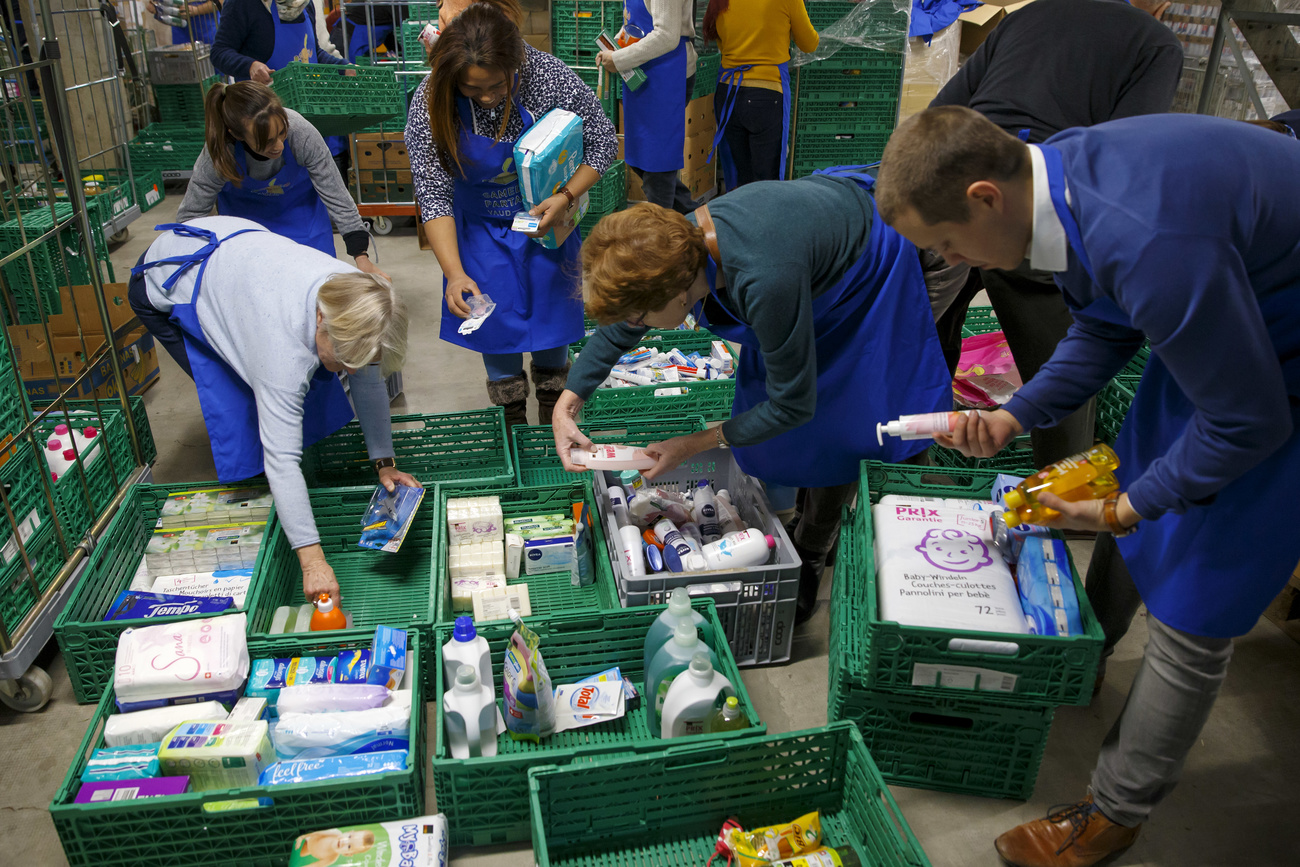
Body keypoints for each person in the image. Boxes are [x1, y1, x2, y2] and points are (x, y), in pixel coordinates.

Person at [875, 105, 1300, 867]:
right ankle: (1096, 653)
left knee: (1200, 601)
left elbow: (1247, 423)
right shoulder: (1059, 174)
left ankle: (1117, 808)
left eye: (945, 245)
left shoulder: (1146, 237)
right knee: (1151, 487)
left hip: (1279, 372)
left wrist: (1125, 507)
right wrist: (1013, 416)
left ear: (984, 197)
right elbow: (1106, 326)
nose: (953, 261)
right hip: (1223, 328)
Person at [554, 174, 950, 625]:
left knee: (845, 423)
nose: (634, 325)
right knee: (798, 419)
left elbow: (793, 404)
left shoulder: (765, 278)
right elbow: (622, 326)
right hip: (807, 251)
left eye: (640, 316)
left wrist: (695, 442)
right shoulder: (673, 246)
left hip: (881, 261)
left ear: (680, 294)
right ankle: (814, 523)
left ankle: (817, 547)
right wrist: (568, 402)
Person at [928, 0, 1182, 468]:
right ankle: (1063, 499)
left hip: (959, 185)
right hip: (1036, 198)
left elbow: (940, 112)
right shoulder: (1153, 41)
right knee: (1061, 358)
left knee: (930, 336)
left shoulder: (1028, 15)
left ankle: (922, 457)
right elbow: (1122, 153)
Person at [128, 215, 417, 606]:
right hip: (171, 278)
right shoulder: (278, 352)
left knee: (306, 394)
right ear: (320, 319)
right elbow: (280, 457)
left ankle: (293, 504)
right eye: (346, 359)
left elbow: (367, 380)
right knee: (240, 404)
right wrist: (312, 560)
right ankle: (270, 513)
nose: (351, 371)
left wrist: (384, 461)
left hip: (244, 254)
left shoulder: (357, 295)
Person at [405, 3, 617, 429]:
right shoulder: (431, 99)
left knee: (551, 331)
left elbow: (603, 142)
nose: (485, 97)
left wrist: (567, 195)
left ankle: (555, 424)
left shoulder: (549, 77)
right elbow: (433, 193)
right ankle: (515, 429)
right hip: (479, 234)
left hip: (546, 228)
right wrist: (455, 273)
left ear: (515, 62)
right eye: (472, 89)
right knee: (494, 328)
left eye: (496, 86)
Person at [177, 81, 384, 271]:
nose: (279, 146)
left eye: (282, 132)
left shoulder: (301, 132)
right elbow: (191, 216)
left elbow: (337, 195)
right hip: (245, 230)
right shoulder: (221, 152)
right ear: (237, 135)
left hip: (302, 221)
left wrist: (361, 256)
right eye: (266, 141)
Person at [211, 0, 349, 179]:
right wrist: (250, 66)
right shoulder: (243, 4)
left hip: (309, 117)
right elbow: (219, 52)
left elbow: (312, 52)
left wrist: (344, 67)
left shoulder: (305, 4)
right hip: (265, 124)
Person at [596, 0, 698, 213]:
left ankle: (662, 237)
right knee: (642, 159)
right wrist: (615, 46)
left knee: (658, 165)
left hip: (667, 73)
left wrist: (620, 58)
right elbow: (635, 23)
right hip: (644, 72)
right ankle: (692, 217)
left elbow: (666, 36)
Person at [702, 0, 818, 187]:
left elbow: (720, 41)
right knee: (766, 182)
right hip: (766, 96)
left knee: (739, 175)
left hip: (728, 93)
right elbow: (809, 43)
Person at [148, 0, 221, 45]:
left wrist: (197, 10)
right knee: (184, 66)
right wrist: (158, 10)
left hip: (207, 32)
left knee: (211, 65)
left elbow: (220, 2)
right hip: (181, 33)